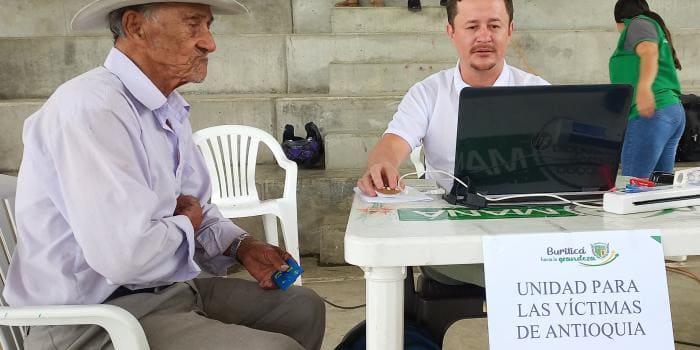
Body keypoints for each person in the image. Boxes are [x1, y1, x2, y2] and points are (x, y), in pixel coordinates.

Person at [3, 1, 325, 349]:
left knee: (303, 308)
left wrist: (241, 246)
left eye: (208, 26)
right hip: (93, 319)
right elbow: (127, 257)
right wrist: (187, 222)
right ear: (136, 26)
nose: (209, 43)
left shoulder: (165, 108)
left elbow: (196, 207)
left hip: (164, 292)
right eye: (193, 25)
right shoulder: (91, 109)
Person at [357, 0, 548, 287]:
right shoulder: (428, 93)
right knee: (522, 274)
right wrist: (383, 165)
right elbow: (392, 144)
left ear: (510, 30)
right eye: (472, 26)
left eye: (494, 26)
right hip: (452, 239)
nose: (484, 36)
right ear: (451, 32)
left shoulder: (539, 93)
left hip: (526, 230)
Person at [610, 0, 685, 179]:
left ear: (619, 21)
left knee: (634, 184)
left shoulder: (637, 24)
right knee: (660, 185)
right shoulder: (651, 26)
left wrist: (644, 89)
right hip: (670, 111)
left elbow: (649, 51)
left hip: (651, 114)